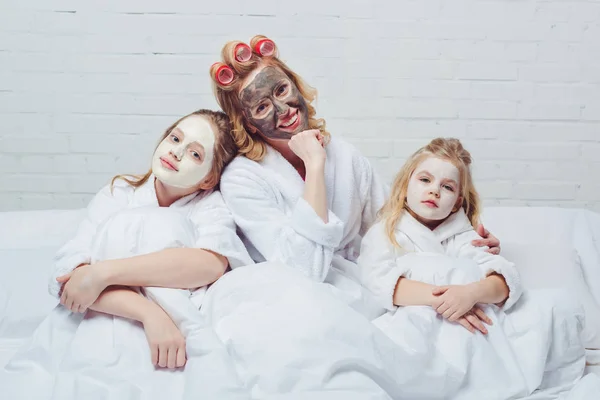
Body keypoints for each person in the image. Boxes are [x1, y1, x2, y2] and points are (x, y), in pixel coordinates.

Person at [212, 35, 501, 319]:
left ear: (295, 85)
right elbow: (304, 271)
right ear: (247, 124)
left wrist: (459, 236)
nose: (282, 109)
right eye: (261, 107)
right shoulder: (242, 179)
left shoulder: (344, 155)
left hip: (361, 286)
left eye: (281, 90)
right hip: (294, 301)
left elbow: (393, 221)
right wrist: (314, 165)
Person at [0, 109, 252, 399]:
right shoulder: (118, 193)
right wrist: (147, 313)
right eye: (175, 138)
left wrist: (102, 273)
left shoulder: (211, 208)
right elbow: (71, 282)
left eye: (195, 154)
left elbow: (209, 264)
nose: (176, 152)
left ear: (208, 179)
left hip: (168, 338)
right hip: (98, 318)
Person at [357, 137, 590, 398]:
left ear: (457, 202)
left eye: (446, 187)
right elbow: (377, 281)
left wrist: (469, 295)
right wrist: (446, 300)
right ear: (405, 186)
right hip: (420, 314)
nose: (434, 190)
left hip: (471, 318)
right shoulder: (385, 232)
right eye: (425, 180)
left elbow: (504, 279)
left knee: (555, 305)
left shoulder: (465, 236)